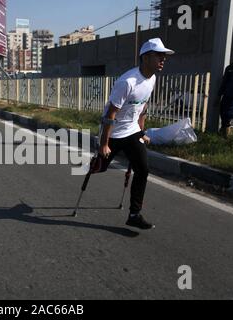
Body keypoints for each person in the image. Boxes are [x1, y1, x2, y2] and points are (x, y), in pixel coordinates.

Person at [98, 38, 174, 230]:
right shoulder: (127, 81)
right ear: (146, 57)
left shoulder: (153, 78)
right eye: (159, 56)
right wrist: (103, 144)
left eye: (164, 56)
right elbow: (110, 115)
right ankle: (94, 162)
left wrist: (141, 132)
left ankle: (134, 214)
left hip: (132, 132)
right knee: (99, 168)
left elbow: (143, 107)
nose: (163, 60)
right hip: (113, 133)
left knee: (143, 170)